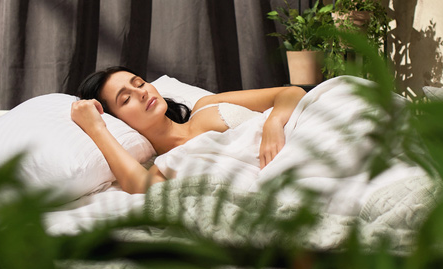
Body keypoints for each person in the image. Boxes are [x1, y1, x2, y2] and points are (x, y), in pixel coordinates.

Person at [71, 66, 306, 194]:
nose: (142, 92)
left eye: (140, 83)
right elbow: (140, 187)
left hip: (304, 139)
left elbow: (291, 93)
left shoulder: (205, 106)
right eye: (125, 99)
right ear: (119, 121)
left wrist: (273, 123)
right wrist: (96, 128)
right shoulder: (163, 167)